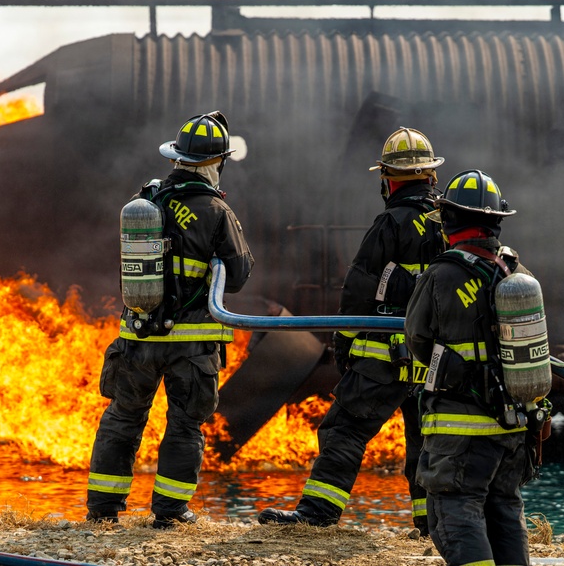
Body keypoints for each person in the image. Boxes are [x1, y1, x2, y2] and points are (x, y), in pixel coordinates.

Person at [258, 127, 445, 535]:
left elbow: (360, 287)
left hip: (385, 356)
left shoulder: (390, 223)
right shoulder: (451, 223)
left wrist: (343, 343)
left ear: (389, 179)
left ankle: (318, 514)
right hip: (434, 360)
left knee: (345, 427)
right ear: (430, 175)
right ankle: (430, 522)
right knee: (424, 438)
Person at [86, 111, 254, 528]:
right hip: (191, 346)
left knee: (123, 418)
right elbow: (238, 276)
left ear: (177, 157)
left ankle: (103, 511)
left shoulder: (148, 200)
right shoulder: (217, 211)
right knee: (184, 426)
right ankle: (170, 513)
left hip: (137, 337)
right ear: (217, 162)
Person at [404, 169, 550, 566]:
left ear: (449, 221)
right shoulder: (519, 274)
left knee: (453, 513)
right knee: (504, 511)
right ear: (497, 222)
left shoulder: (442, 274)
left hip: (460, 429)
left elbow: (416, 339)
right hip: (514, 428)